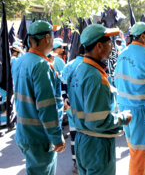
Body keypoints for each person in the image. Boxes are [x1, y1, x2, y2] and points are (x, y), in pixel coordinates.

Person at [68, 24, 132, 175]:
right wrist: (123, 118)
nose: (112, 46)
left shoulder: (78, 69)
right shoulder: (95, 77)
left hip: (82, 140)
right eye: (109, 42)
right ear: (99, 46)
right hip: (97, 145)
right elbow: (98, 122)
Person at [12, 20, 66, 175]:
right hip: (39, 137)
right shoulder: (42, 65)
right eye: (53, 34)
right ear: (47, 39)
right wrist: (56, 137)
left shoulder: (20, 60)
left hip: (25, 133)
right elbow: (46, 106)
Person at [114, 22, 145, 175]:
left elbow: (116, 81)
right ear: (143, 36)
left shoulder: (122, 54)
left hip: (124, 109)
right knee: (140, 153)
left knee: (134, 149)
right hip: (140, 111)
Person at [62, 45, 85, 174]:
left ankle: (76, 163)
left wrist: (66, 101)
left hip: (71, 108)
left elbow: (62, 86)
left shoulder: (68, 65)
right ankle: (84, 164)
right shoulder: (86, 66)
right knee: (86, 136)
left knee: (74, 136)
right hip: (83, 109)